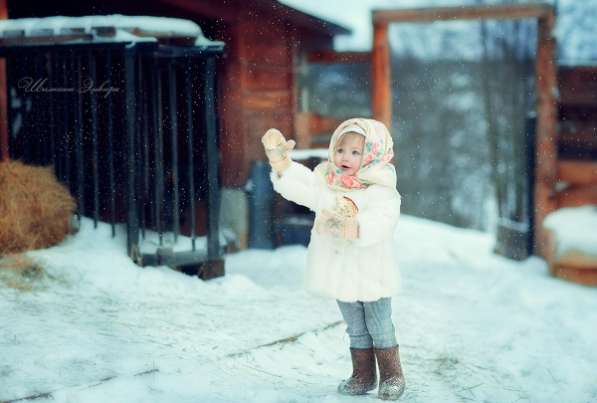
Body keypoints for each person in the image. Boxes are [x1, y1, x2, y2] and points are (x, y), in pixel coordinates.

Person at [261, 118, 405, 400]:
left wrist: (359, 227)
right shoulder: (328, 181)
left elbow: (386, 218)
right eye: (340, 150)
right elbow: (304, 187)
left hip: (371, 269)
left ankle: (392, 375)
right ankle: (363, 375)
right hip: (340, 269)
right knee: (355, 326)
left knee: (379, 324)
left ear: (373, 153)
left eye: (355, 152)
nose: (345, 157)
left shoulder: (381, 186)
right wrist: (282, 166)